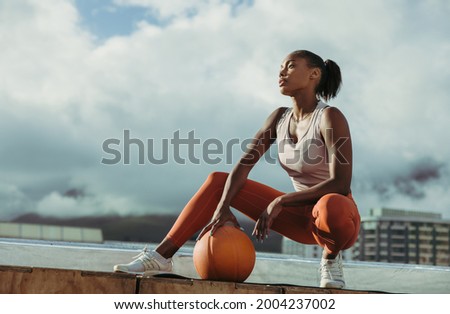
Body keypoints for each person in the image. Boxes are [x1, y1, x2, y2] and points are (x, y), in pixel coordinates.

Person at [113, 50, 360, 289]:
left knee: (331, 205)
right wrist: (222, 207)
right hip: (299, 218)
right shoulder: (279, 119)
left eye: (291, 65)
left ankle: (330, 259)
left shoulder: (330, 117)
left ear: (314, 74)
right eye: (280, 68)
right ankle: (161, 257)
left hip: (337, 219)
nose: (282, 73)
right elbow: (243, 166)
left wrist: (281, 201)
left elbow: (341, 184)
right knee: (218, 180)